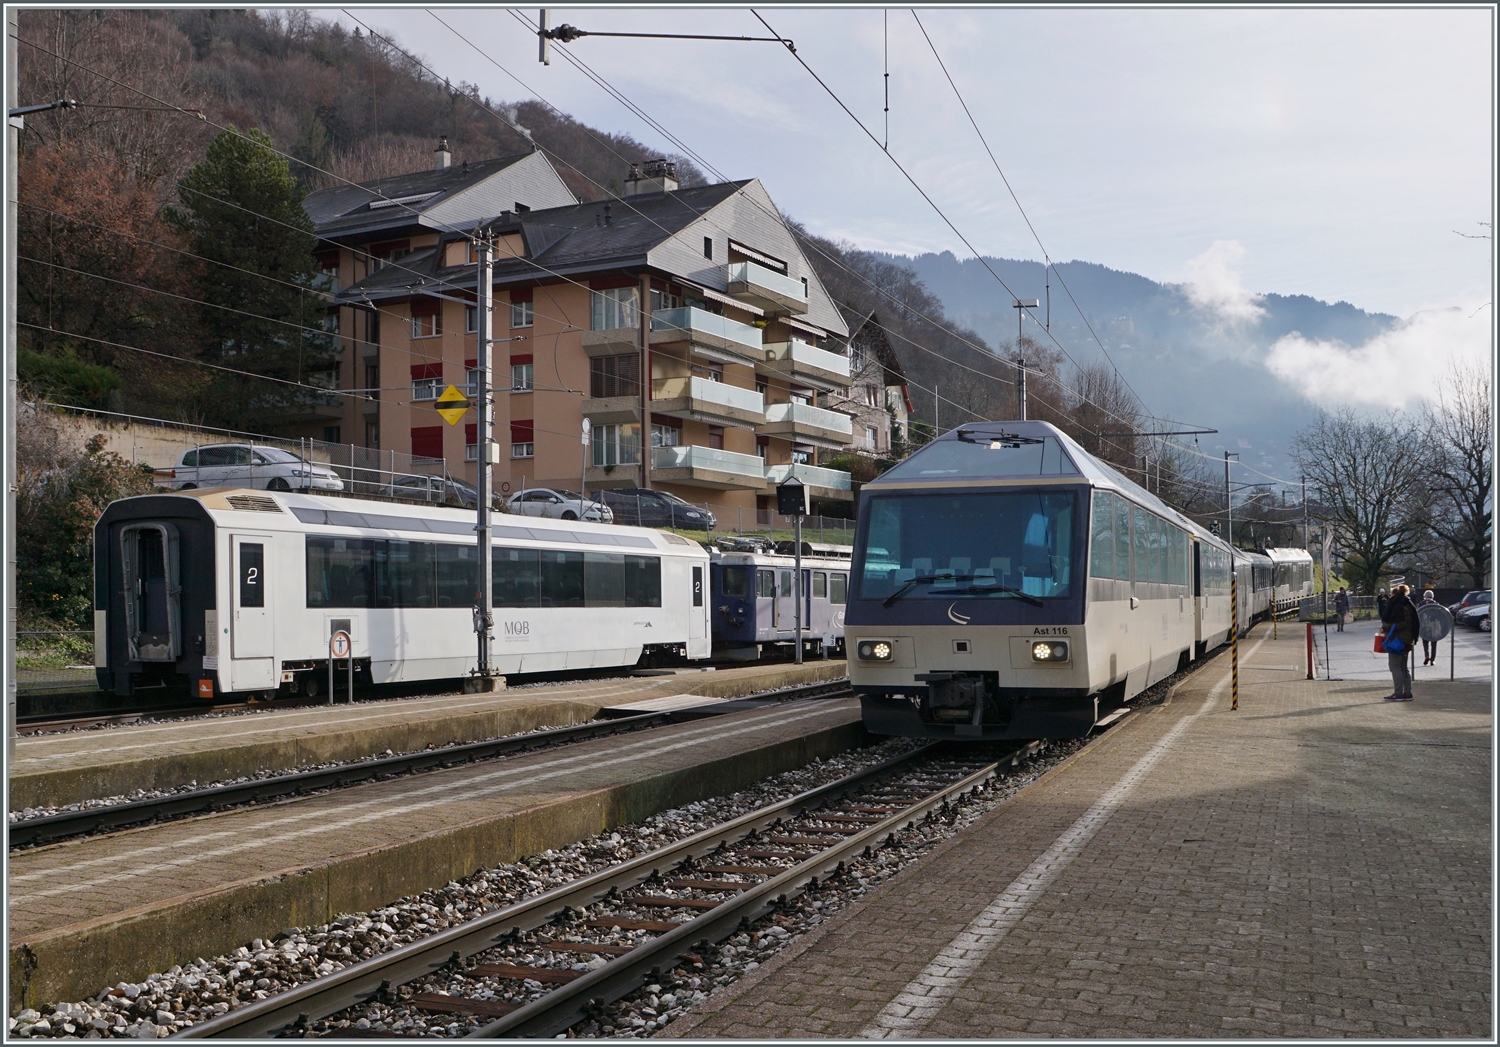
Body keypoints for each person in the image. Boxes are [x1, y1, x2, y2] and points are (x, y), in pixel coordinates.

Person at [1379, 583, 1420, 701]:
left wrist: (1386, 628)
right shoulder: (1408, 604)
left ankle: (1398, 693)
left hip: (1399, 640)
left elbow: (1401, 623)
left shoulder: (1398, 605)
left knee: (1395, 666)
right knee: (1403, 667)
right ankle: (1407, 692)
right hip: (1408, 640)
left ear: (1394, 594)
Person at [1419, 589, 1440, 664]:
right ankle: (1432, 660)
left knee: (1425, 641)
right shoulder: (1435, 603)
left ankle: (1426, 655)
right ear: (1432, 596)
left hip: (1424, 624)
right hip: (1433, 625)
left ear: (1425, 596)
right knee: (1434, 643)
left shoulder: (1421, 603)